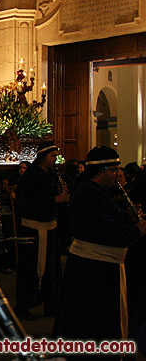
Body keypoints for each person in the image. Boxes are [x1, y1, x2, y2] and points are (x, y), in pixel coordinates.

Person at [54, 147, 146, 358]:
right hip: (93, 267)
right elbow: (106, 230)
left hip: (99, 264)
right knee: (92, 320)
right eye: (113, 171)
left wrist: (127, 216)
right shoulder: (87, 193)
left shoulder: (97, 191)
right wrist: (136, 230)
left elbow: (108, 217)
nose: (117, 176)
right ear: (100, 171)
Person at [15, 141, 68, 320]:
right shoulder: (30, 176)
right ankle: (24, 306)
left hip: (49, 228)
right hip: (33, 230)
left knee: (51, 270)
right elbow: (30, 202)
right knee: (30, 269)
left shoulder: (50, 175)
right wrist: (55, 200)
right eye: (52, 156)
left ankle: (51, 304)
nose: (55, 160)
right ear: (43, 156)